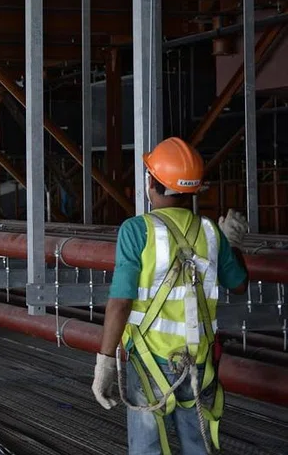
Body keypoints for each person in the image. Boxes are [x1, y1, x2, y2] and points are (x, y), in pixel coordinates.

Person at [91, 137, 250, 455]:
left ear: (153, 183)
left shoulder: (137, 231)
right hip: (199, 362)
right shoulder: (210, 231)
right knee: (197, 445)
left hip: (150, 363)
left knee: (147, 448)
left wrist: (105, 362)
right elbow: (239, 284)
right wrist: (230, 243)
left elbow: (121, 302)